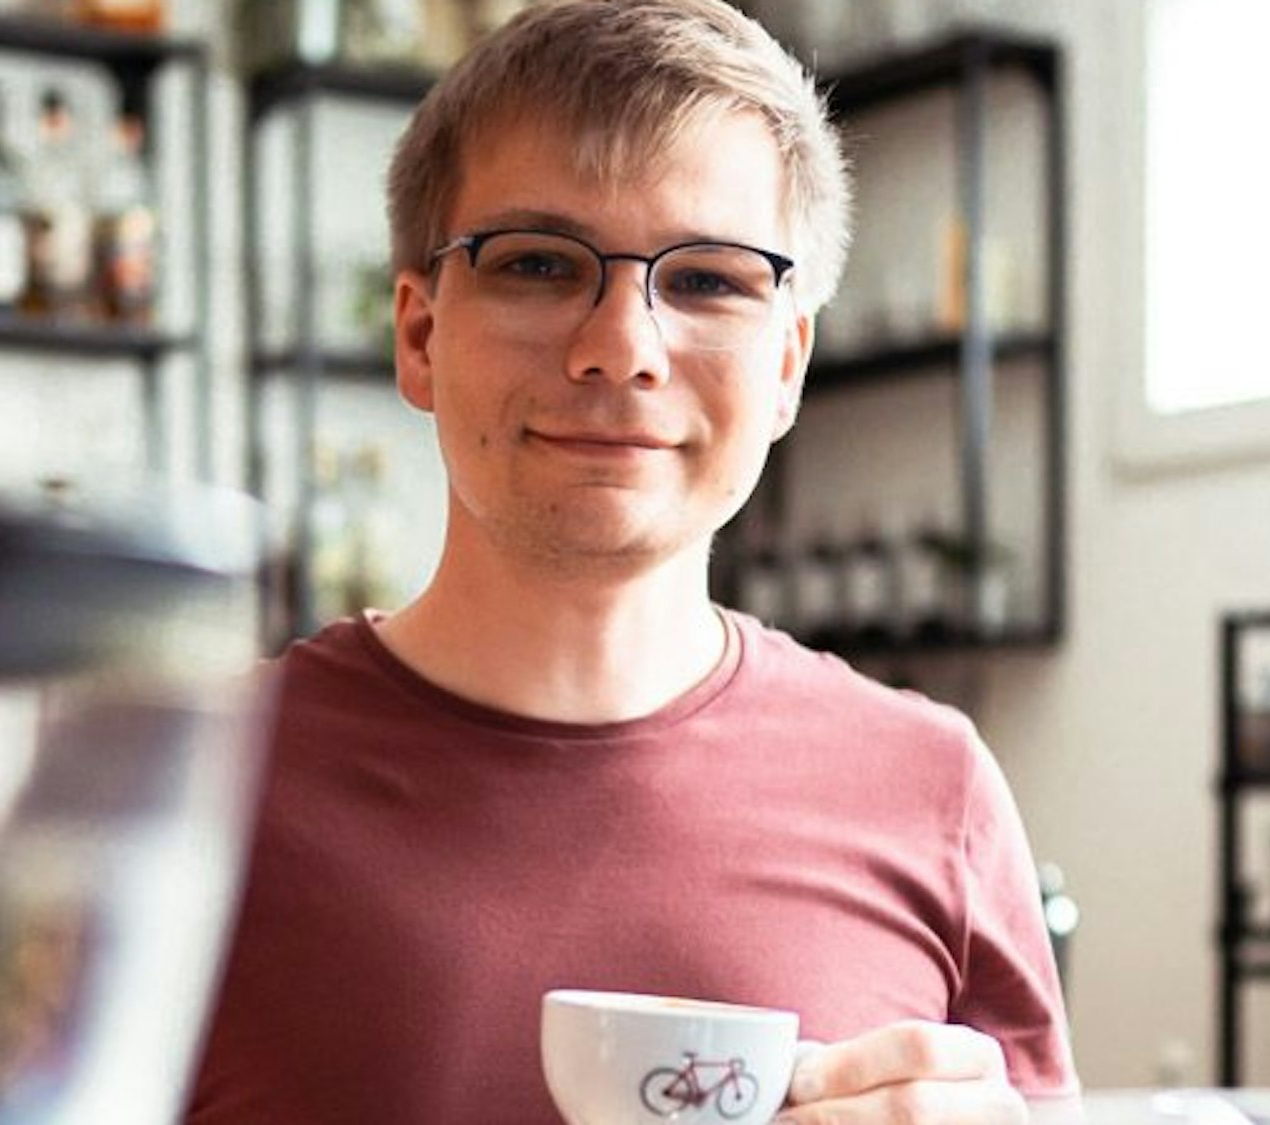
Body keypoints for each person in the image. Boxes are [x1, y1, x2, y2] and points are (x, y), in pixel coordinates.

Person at [189, 2, 1077, 1121]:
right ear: (418, 335)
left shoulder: (934, 792)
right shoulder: (186, 788)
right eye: (537, 264)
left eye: (707, 280)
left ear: (788, 364)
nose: (620, 347)